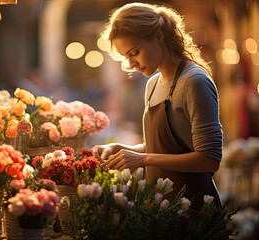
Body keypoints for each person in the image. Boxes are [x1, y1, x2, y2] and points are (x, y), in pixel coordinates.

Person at [92, 2, 222, 209]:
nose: (131, 64)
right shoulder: (152, 84)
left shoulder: (194, 81)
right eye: (126, 57)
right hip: (161, 207)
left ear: (159, 37)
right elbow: (163, 148)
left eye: (134, 52)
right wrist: (121, 149)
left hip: (194, 209)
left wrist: (143, 159)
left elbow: (209, 159)